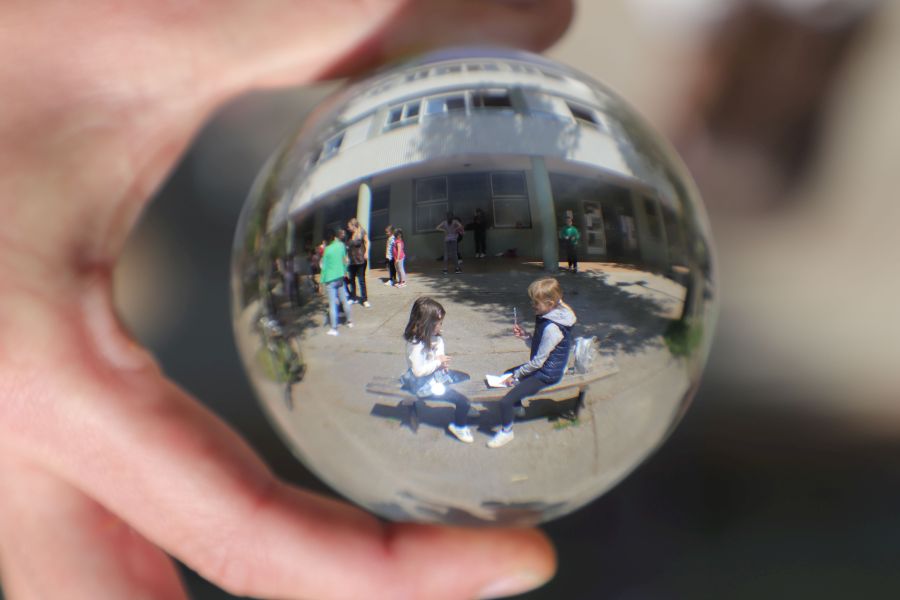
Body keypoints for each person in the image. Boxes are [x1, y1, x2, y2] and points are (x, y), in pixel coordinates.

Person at [0, 1, 571, 597]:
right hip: (394, 343)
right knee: (366, 320)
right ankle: (457, 410)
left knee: (366, 317)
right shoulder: (384, 293)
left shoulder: (419, 314)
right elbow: (415, 353)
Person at [490, 278, 577, 449]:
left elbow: (537, 362)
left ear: (550, 303)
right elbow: (540, 347)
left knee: (505, 401)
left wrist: (516, 376)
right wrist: (526, 336)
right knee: (507, 373)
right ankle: (518, 408)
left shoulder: (552, 328)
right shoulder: (551, 315)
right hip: (545, 366)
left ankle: (507, 432)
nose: (532, 305)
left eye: (536, 302)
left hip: (547, 374)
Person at [401, 297, 473, 443]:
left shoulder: (434, 337)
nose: (441, 326)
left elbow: (439, 354)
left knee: (465, 378)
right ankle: (459, 426)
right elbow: (418, 371)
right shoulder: (416, 344)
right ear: (426, 324)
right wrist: (438, 362)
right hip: (423, 386)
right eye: (438, 323)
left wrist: (441, 361)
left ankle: (464, 407)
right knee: (463, 401)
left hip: (435, 377)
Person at [320, 228, 353, 336]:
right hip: (340, 277)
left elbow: (324, 267)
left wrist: (321, 282)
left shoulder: (327, 250)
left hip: (330, 279)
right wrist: (344, 271)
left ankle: (334, 328)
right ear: (335, 236)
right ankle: (349, 322)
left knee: (332, 304)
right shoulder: (341, 245)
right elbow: (345, 261)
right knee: (344, 300)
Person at [346, 217, 371, 307]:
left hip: (360, 260)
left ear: (354, 225)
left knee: (361, 280)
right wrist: (346, 257)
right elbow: (348, 248)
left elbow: (367, 242)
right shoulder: (349, 235)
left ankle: (364, 299)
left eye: (349, 226)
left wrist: (366, 252)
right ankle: (353, 298)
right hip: (351, 261)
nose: (348, 228)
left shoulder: (362, 232)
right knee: (352, 280)